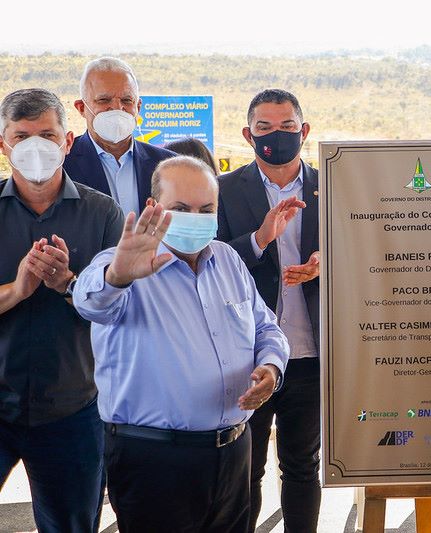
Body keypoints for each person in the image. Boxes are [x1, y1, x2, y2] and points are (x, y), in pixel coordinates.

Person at [73, 156, 293, 533]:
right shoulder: (122, 263)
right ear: (153, 207)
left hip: (234, 451)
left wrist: (271, 367)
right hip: (155, 459)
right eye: (180, 208)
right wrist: (118, 276)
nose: (195, 218)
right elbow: (89, 302)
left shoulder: (227, 260)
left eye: (206, 210)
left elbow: (265, 327)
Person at [0, 88, 124, 532]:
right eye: (22, 136)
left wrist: (69, 284)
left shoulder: (102, 213)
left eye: (48, 136)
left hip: (72, 409)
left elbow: (119, 309)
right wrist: (17, 290)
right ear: (4, 145)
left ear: (68, 142)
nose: (36, 147)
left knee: (72, 525)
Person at [217, 88, 321, 533]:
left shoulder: (331, 186)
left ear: (304, 130)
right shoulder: (223, 190)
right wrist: (260, 239)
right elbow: (210, 263)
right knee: (246, 469)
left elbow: (364, 250)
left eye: (287, 126)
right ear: (248, 135)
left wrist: (325, 263)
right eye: (265, 128)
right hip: (248, 355)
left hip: (311, 353)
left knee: (303, 466)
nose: (276, 135)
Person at [64, 57, 175, 216]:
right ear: (81, 108)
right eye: (104, 100)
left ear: (138, 107)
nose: (117, 108)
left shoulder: (169, 165)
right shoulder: (61, 165)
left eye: (126, 100)